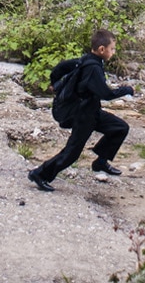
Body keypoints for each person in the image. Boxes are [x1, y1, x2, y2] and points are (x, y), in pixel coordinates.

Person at [28, 28, 133, 192]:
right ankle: (40, 174)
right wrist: (125, 90)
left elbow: (61, 67)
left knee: (120, 128)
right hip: (82, 115)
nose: (114, 52)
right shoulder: (93, 68)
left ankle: (101, 161)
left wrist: (54, 82)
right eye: (112, 49)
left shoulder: (86, 60)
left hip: (92, 111)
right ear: (102, 49)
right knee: (72, 152)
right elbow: (105, 94)